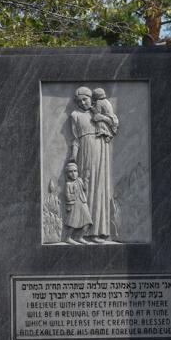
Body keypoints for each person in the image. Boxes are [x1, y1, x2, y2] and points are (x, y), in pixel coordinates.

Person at [69, 86, 114, 242]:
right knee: (86, 189)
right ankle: (83, 233)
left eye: (85, 99)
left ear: (91, 98)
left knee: (100, 188)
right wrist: (73, 156)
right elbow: (75, 139)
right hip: (84, 152)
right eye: (79, 101)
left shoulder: (98, 111)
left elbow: (113, 122)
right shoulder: (74, 115)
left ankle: (98, 231)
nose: (82, 103)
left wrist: (101, 118)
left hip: (100, 148)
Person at [61, 161, 93, 244]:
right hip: (74, 205)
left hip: (82, 203)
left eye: (75, 171)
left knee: (88, 222)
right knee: (73, 223)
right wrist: (74, 194)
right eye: (71, 172)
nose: (73, 173)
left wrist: (86, 179)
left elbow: (85, 188)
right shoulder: (68, 184)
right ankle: (67, 238)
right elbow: (67, 196)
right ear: (67, 174)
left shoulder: (79, 180)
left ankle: (79, 237)